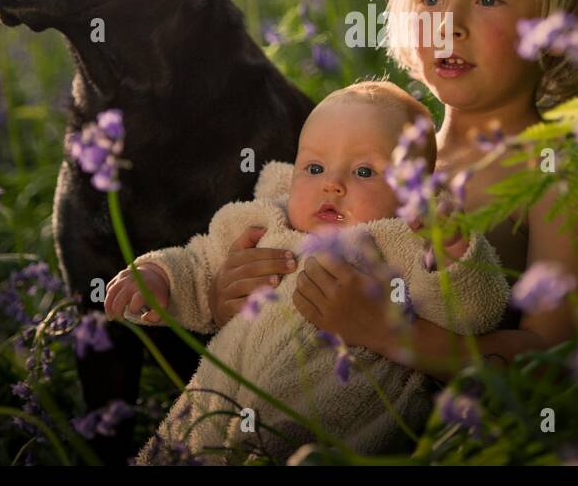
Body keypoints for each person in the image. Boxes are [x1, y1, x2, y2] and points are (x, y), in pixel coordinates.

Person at [208, 0, 578, 387]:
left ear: (557, 24)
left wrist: (393, 333)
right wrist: (234, 295)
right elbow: (300, 272)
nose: (448, 25)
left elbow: (553, 356)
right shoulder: (377, 147)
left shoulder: (559, 171)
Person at [105, 81, 510, 463]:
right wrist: (159, 277)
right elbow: (200, 263)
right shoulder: (264, 223)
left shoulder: (400, 243)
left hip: (329, 428)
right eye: (314, 169)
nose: (332, 185)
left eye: (364, 172)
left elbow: (475, 312)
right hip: (217, 405)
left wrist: (454, 256)